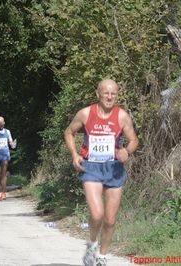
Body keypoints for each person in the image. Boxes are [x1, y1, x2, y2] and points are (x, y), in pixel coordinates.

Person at [64, 79, 138, 266]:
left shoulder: (121, 116)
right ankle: (92, 245)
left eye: (113, 93)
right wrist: (74, 155)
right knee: (97, 214)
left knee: (110, 219)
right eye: (106, 93)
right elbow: (69, 132)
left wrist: (126, 151)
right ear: (98, 94)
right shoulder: (85, 113)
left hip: (114, 169)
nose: (110, 96)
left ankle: (102, 257)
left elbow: (133, 140)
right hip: (91, 168)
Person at [0, 116, 16, 201]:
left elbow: (10, 141)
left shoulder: (7, 131)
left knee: (3, 174)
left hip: (5, 155)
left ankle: (4, 192)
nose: (1, 123)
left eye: (2, 122)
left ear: (4, 123)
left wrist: (12, 144)